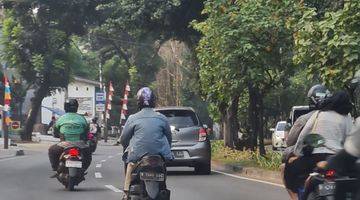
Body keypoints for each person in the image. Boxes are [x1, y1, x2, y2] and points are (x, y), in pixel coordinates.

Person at [284, 91, 353, 198]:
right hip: (337, 160)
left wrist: (297, 153)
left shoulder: (318, 114)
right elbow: (350, 140)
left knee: (288, 168)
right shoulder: (347, 117)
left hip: (315, 158)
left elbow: (303, 136)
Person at [119, 87, 173, 199]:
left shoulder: (132, 118)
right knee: (163, 168)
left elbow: (124, 138)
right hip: (159, 157)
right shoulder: (162, 118)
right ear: (154, 101)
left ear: (138, 102)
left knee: (129, 165)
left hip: (138, 157)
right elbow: (169, 138)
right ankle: (162, 188)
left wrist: (126, 147)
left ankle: (126, 192)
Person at [281, 84, 331, 199]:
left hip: (312, 158)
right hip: (336, 157)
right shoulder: (341, 116)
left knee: (285, 168)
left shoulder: (305, 119)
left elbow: (290, 141)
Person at [48, 99, 91, 177]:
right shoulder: (82, 118)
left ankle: (55, 169)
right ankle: (83, 169)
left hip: (64, 144)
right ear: (77, 107)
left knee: (52, 150)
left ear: (65, 108)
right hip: (80, 145)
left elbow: (55, 131)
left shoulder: (61, 118)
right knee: (88, 155)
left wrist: (58, 135)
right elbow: (86, 131)